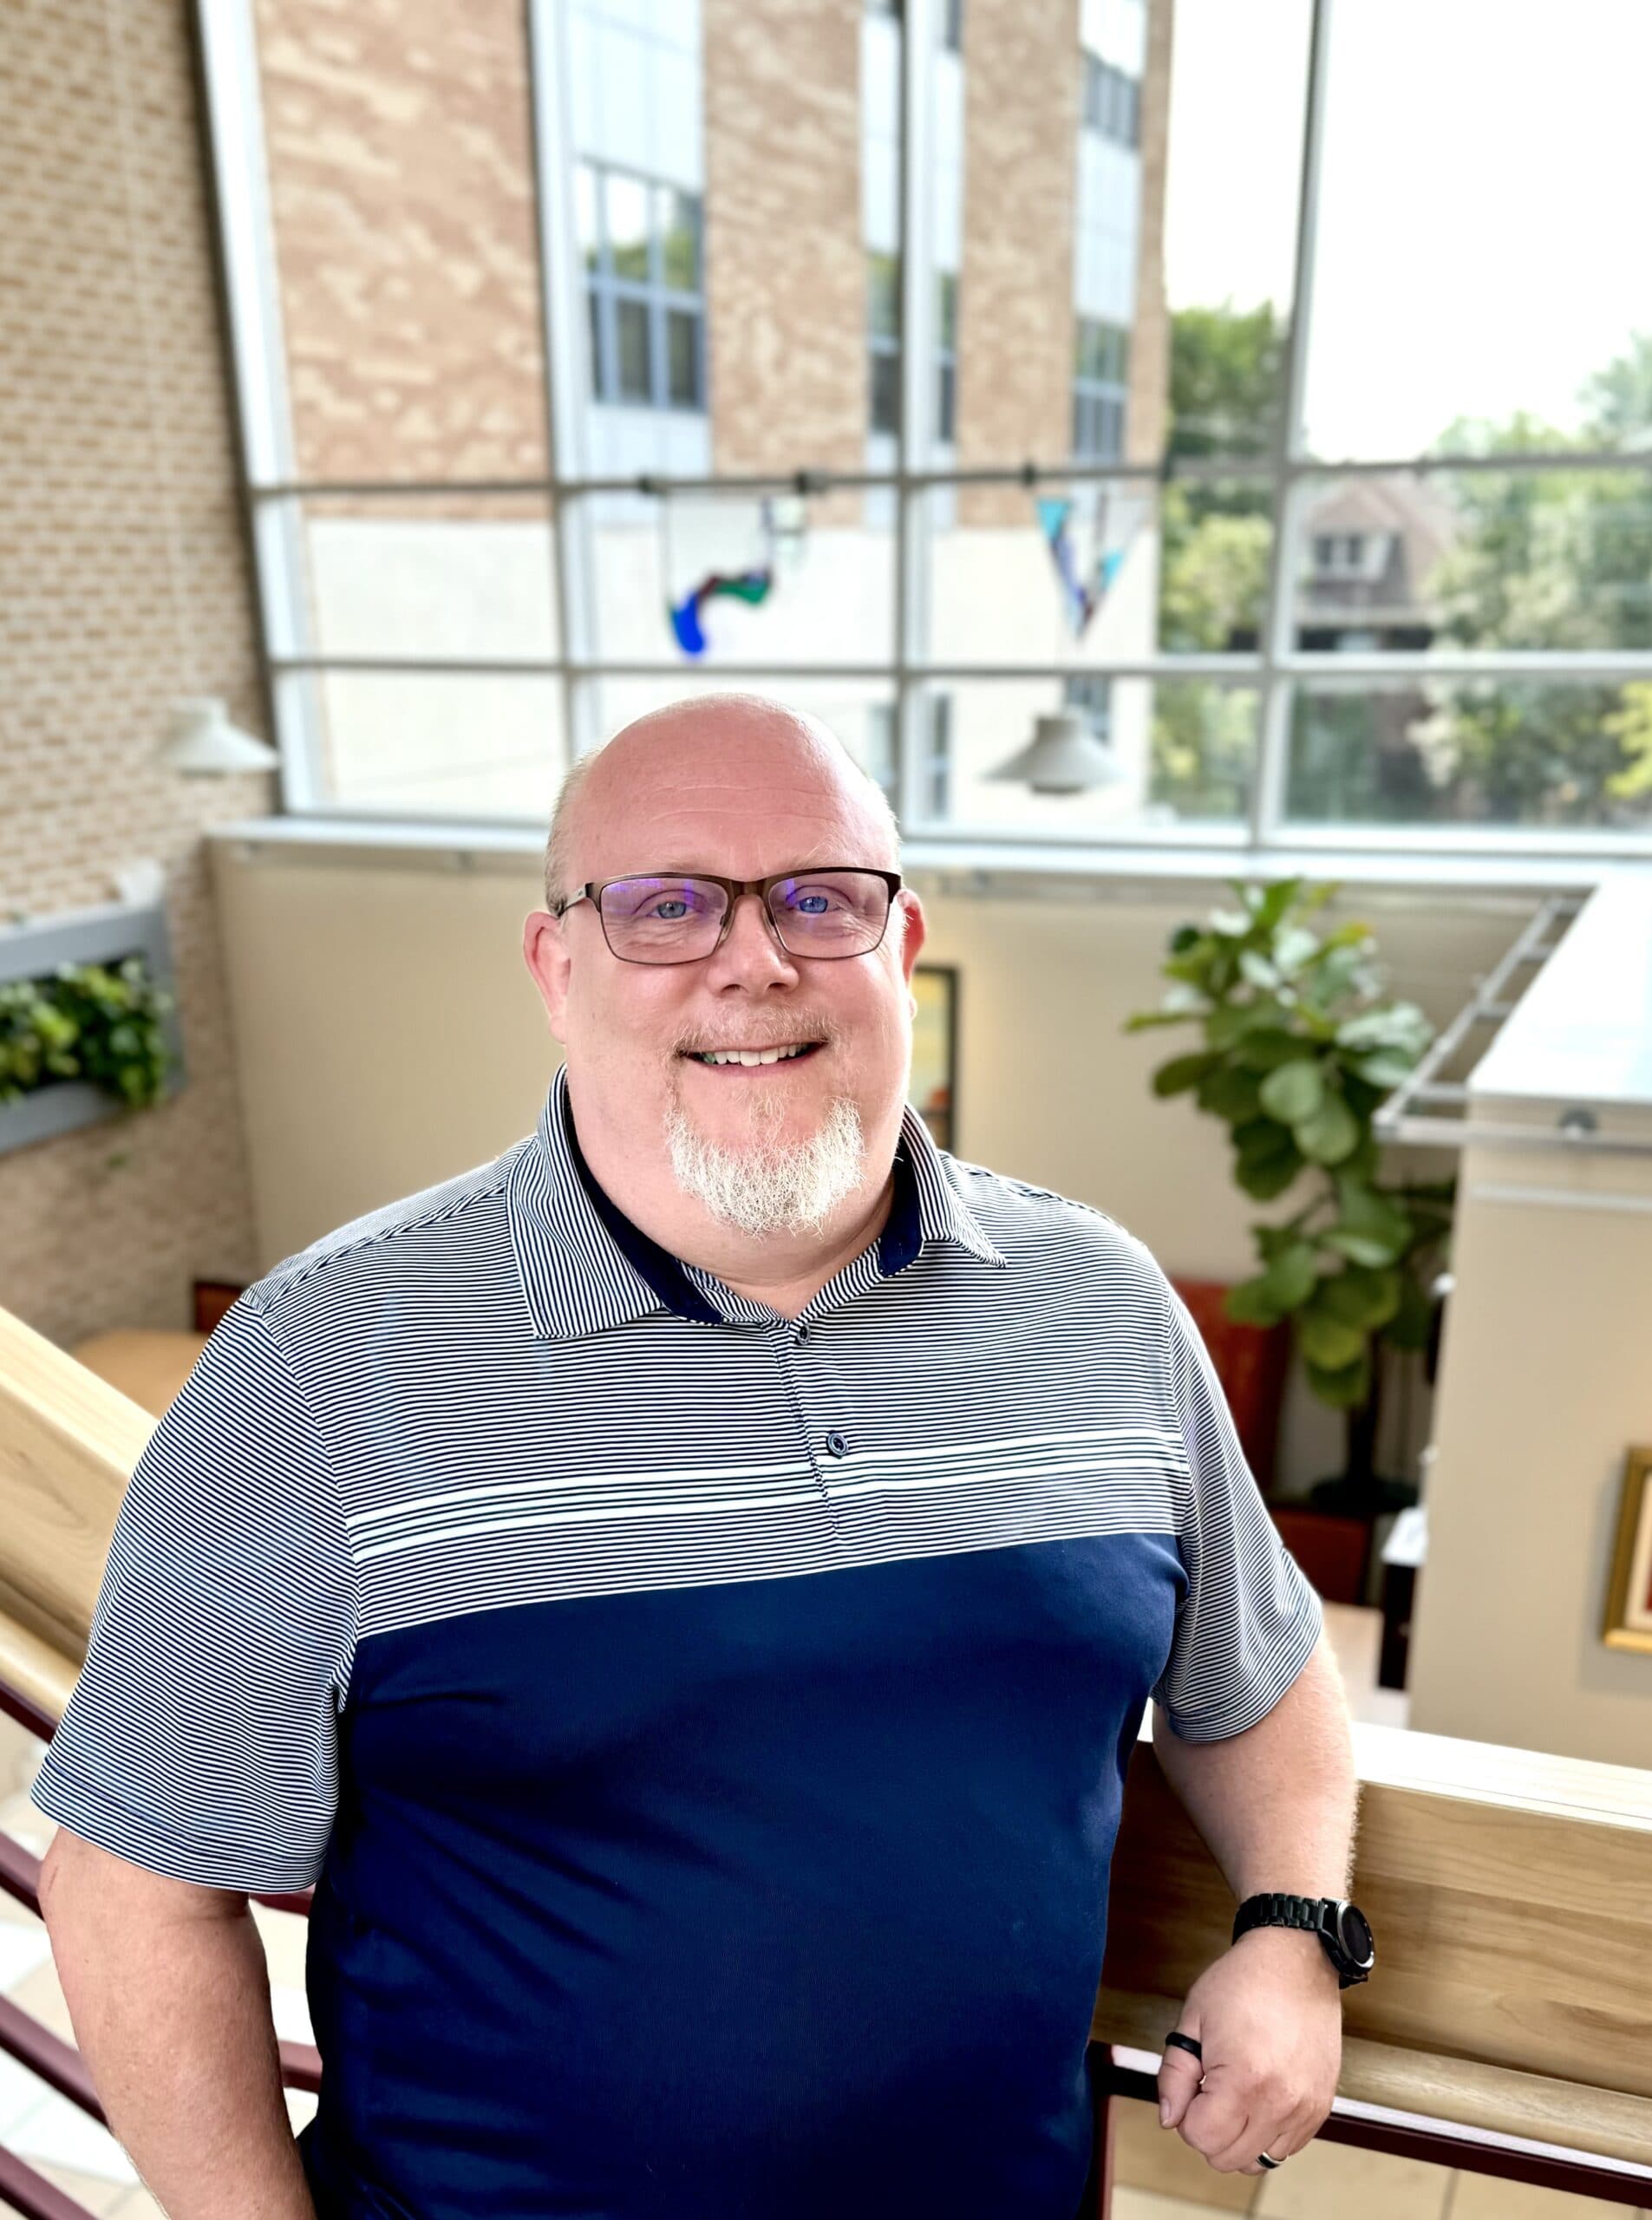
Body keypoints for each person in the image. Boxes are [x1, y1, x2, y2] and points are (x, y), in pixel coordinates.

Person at [34, 694, 1359, 2220]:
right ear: (556, 965)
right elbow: (134, 1881)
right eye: (665, 906)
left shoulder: (1099, 1301)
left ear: (901, 944)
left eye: (821, 897)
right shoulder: (328, 1361)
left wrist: (1292, 1927)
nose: (754, 959)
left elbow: (1254, 1668)